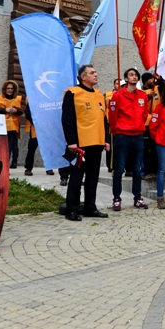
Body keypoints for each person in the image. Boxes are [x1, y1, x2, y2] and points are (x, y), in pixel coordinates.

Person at [61, 64, 109, 220]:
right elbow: (67, 120)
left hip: (97, 142)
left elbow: (104, 120)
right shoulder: (73, 93)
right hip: (80, 144)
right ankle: (72, 209)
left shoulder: (99, 94)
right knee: (76, 177)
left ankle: (90, 207)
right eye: (92, 73)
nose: (96, 74)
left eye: (96, 72)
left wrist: (106, 140)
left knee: (93, 177)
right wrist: (71, 141)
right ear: (83, 77)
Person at [108, 68, 149, 211]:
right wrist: (116, 130)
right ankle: (116, 199)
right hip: (122, 135)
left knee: (137, 169)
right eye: (131, 75)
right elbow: (112, 116)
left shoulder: (143, 96)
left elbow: (144, 114)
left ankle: (137, 198)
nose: (134, 77)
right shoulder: (118, 95)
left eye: (136, 75)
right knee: (119, 169)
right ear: (125, 78)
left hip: (137, 135)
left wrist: (138, 126)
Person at [0, 80, 22, 168]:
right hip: (1, 125)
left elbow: (21, 110)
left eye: (12, 88)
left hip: (13, 125)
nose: (10, 90)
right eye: (8, 88)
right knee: (7, 146)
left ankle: (12, 162)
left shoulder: (17, 98)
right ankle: (6, 163)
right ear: (5, 89)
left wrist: (16, 110)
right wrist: (5, 110)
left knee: (13, 146)